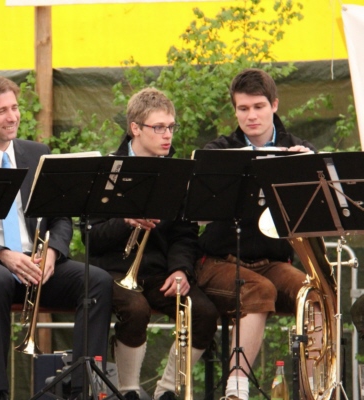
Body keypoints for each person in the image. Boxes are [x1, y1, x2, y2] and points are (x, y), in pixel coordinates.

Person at [0, 75, 113, 400]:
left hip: (36, 265)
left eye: (15, 108)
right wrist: (2, 254)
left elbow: (61, 217)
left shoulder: (38, 154)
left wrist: (53, 253)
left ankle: (81, 389)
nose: (13, 117)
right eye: (2, 110)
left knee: (97, 281)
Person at [85, 88, 219, 400]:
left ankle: (166, 390)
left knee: (204, 312)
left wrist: (181, 270)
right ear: (135, 128)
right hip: (114, 271)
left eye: (171, 127)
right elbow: (91, 236)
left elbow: (185, 234)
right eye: (158, 127)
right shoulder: (108, 170)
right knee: (135, 309)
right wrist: (124, 221)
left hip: (159, 271)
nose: (167, 135)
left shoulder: (178, 173)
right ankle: (129, 390)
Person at [195, 68, 315, 400]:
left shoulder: (299, 149)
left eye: (259, 106)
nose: (251, 116)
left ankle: (317, 387)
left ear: (274, 105)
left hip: (273, 262)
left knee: (314, 293)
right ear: (235, 110)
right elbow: (198, 213)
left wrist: (309, 167)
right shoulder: (218, 151)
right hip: (220, 260)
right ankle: (236, 390)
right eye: (243, 108)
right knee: (258, 290)